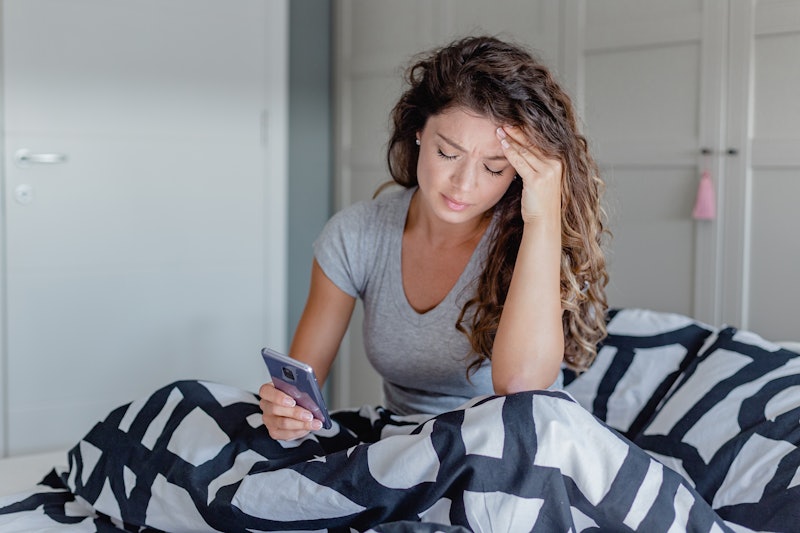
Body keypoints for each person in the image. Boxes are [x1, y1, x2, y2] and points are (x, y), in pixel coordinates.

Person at [260, 35, 609, 441]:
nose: (464, 184)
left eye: (494, 169)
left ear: (521, 173)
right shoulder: (355, 235)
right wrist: (286, 413)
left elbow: (522, 389)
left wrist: (544, 216)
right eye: (448, 153)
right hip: (406, 448)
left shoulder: (531, 238)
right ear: (419, 132)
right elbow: (300, 385)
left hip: (512, 448)